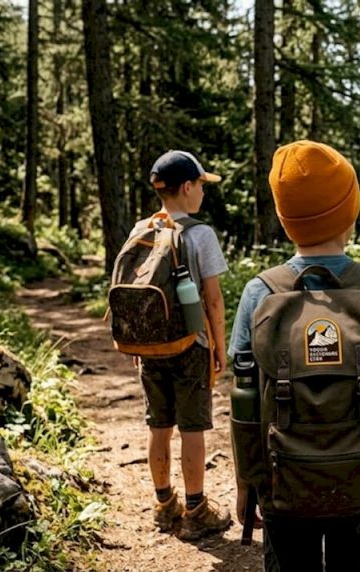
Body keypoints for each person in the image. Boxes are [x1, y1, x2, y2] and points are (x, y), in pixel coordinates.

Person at [229, 140, 360, 571]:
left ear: (284, 218)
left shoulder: (260, 293)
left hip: (283, 481)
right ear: (350, 210)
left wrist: (247, 483)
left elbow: (243, 403)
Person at [133, 150, 231, 539]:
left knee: (158, 425)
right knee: (192, 428)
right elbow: (213, 299)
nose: (203, 194)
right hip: (191, 346)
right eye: (202, 187)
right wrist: (219, 346)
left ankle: (163, 505)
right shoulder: (200, 234)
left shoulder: (142, 228)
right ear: (187, 187)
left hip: (150, 346)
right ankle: (196, 511)